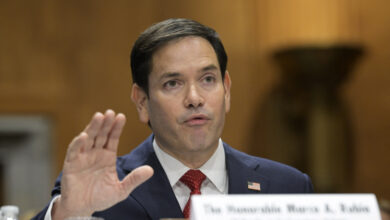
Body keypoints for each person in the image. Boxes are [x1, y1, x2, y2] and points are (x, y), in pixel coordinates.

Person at [32, 18, 313, 220]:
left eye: (207, 79)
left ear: (226, 91)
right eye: (172, 84)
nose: (194, 98)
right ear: (142, 102)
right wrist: (68, 215)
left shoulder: (287, 187)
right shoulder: (98, 188)